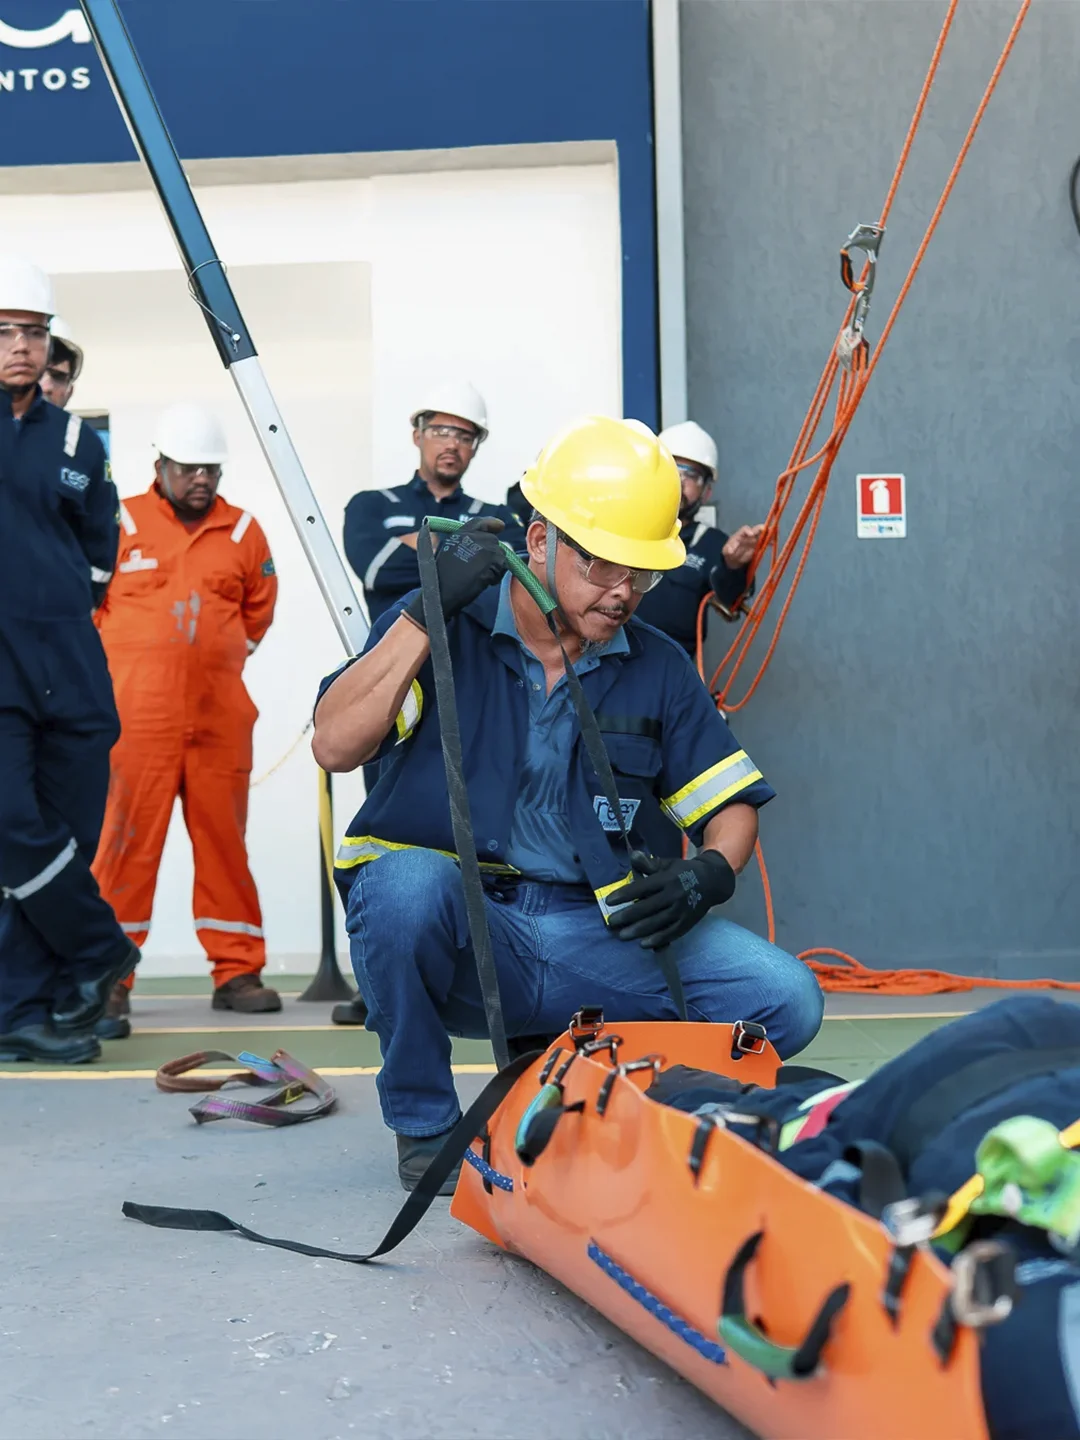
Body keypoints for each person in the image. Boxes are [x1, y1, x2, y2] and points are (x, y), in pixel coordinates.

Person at [313, 415, 823, 1193]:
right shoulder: (445, 632)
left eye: (642, 574)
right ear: (539, 538)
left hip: (595, 928)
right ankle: (424, 1125)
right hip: (465, 928)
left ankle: (602, 1099)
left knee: (786, 999)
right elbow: (335, 743)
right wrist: (424, 611)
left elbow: (730, 804)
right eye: (605, 566)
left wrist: (709, 874)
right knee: (403, 888)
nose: (624, 593)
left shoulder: (653, 665)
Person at [91, 403, 280, 1040]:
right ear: (159, 466)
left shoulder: (244, 531)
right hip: (135, 722)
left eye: (210, 468)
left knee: (224, 844)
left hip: (219, 720)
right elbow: (92, 608)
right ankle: (109, 978)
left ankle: (237, 972)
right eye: (187, 468)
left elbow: (258, 613)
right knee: (122, 848)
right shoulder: (119, 522)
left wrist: (206, 663)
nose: (200, 479)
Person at [0, 254, 138, 1064]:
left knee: (64, 837)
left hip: (71, 670)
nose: (21, 347)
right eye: (6, 332)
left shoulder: (81, 442)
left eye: (33, 332)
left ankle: (28, 1008)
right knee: (13, 826)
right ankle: (99, 952)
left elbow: (98, 553)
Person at [342, 380, 523, 623]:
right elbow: (377, 570)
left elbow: (516, 578)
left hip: (470, 658)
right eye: (441, 432)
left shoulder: (497, 517)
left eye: (465, 436)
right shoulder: (371, 505)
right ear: (418, 436)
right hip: (395, 655)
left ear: (475, 447)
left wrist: (425, 546)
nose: (452, 444)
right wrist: (469, 555)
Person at [634, 420, 764, 656]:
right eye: (672, 469)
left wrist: (733, 566)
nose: (679, 481)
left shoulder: (712, 544)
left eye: (690, 475)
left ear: (707, 492)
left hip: (672, 673)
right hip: (608, 663)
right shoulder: (624, 526)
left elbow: (731, 601)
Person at [39, 316, 83, 410]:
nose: (46, 388)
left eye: (58, 377)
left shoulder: (77, 425)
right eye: (37, 375)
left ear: (69, 392)